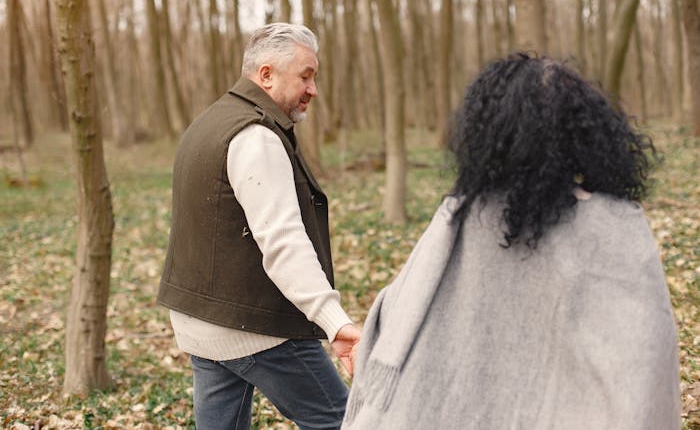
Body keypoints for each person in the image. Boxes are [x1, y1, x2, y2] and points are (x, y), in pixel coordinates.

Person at [342, 52, 680, 429]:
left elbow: (394, 322)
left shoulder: (459, 220)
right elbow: (646, 362)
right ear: (587, 133)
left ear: (487, 135)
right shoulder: (617, 225)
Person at [158, 22, 361, 430]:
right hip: (255, 328)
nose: (313, 89)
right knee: (343, 421)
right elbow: (283, 241)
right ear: (266, 74)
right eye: (305, 75)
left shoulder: (210, 121)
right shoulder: (255, 137)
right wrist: (334, 321)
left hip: (201, 321)